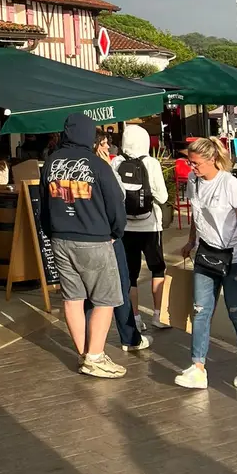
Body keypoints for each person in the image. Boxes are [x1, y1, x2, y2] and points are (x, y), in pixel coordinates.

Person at [39, 113, 127, 379]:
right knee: (105, 299)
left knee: (73, 298)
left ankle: (84, 354)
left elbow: (43, 204)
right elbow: (115, 203)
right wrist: (116, 232)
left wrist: (50, 232)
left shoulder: (51, 162)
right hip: (94, 238)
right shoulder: (97, 164)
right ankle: (95, 357)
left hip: (59, 238)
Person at [175, 137, 237, 390]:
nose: (192, 167)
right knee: (201, 310)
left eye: (196, 163)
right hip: (205, 253)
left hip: (233, 256)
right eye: (190, 162)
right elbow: (197, 213)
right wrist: (192, 240)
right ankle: (198, 367)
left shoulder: (229, 184)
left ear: (212, 159)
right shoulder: (194, 181)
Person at [87, 136, 151, 356]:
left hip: (84, 237)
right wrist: (117, 231)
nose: (108, 147)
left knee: (89, 291)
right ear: (95, 145)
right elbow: (119, 196)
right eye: (103, 143)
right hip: (108, 236)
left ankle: (89, 343)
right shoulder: (102, 168)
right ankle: (129, 338)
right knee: (120, 285)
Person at [113, 124, 170, 332]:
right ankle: (158, 315)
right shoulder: (151, 163)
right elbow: (162, 196)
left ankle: (135, 317)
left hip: (125, 227)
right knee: (157, 269)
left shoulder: (116, 162)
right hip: (150, 226)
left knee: (131, 274)